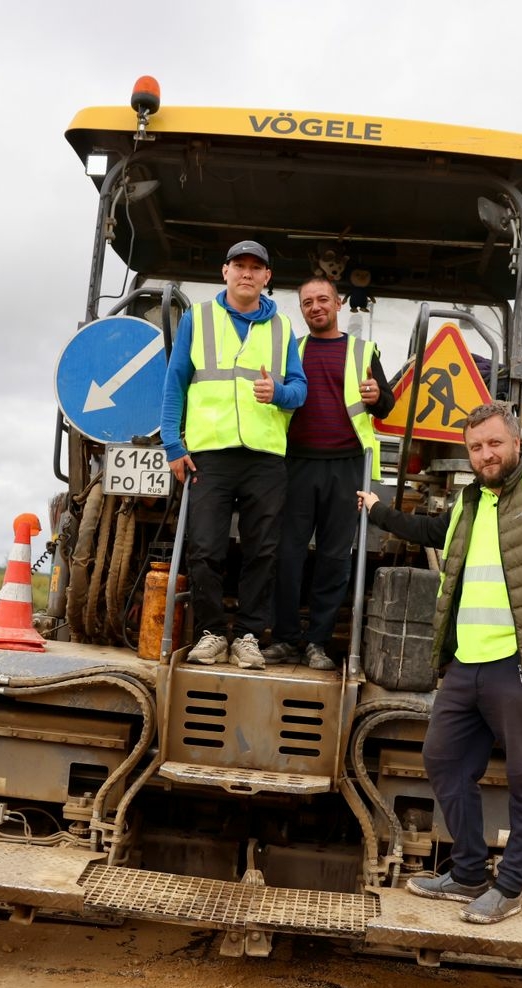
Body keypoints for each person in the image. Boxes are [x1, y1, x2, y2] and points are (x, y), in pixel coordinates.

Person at [358, 403, 522, 924]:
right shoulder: (468, 502)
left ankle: (511, 885)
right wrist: (377, 511)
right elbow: (431, 531)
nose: (485, 455)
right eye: (476, 447)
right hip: (467, 664)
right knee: (444, 759)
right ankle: (470, 871)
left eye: (494, 444)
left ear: (516, 441)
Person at [160, 239, 307, 670]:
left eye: (255, 267)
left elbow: (300, 390)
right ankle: (210, 633)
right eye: (238, 265)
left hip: (265, 457)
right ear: (224, 272)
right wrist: (173, 443)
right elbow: (176, 383)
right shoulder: (198, 318)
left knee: (263, 550)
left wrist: (277, 392)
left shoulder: (282, 328)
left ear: (267, 278)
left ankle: (246, 635)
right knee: (205, 547)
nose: (247, 273)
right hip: (211, 453)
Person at [263, 276, 394, 670]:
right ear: (301, 309)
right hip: (296, 464)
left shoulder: (362, 350)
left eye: (323, 300)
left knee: (335, 559)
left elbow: (385, 404)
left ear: (338, 304)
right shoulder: (292, 349)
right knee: (287, 555)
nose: (315, 307)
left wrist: (376, 397)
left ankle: (318, 643)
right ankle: (285, 638)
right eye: (307, 303)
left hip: (346, 467)